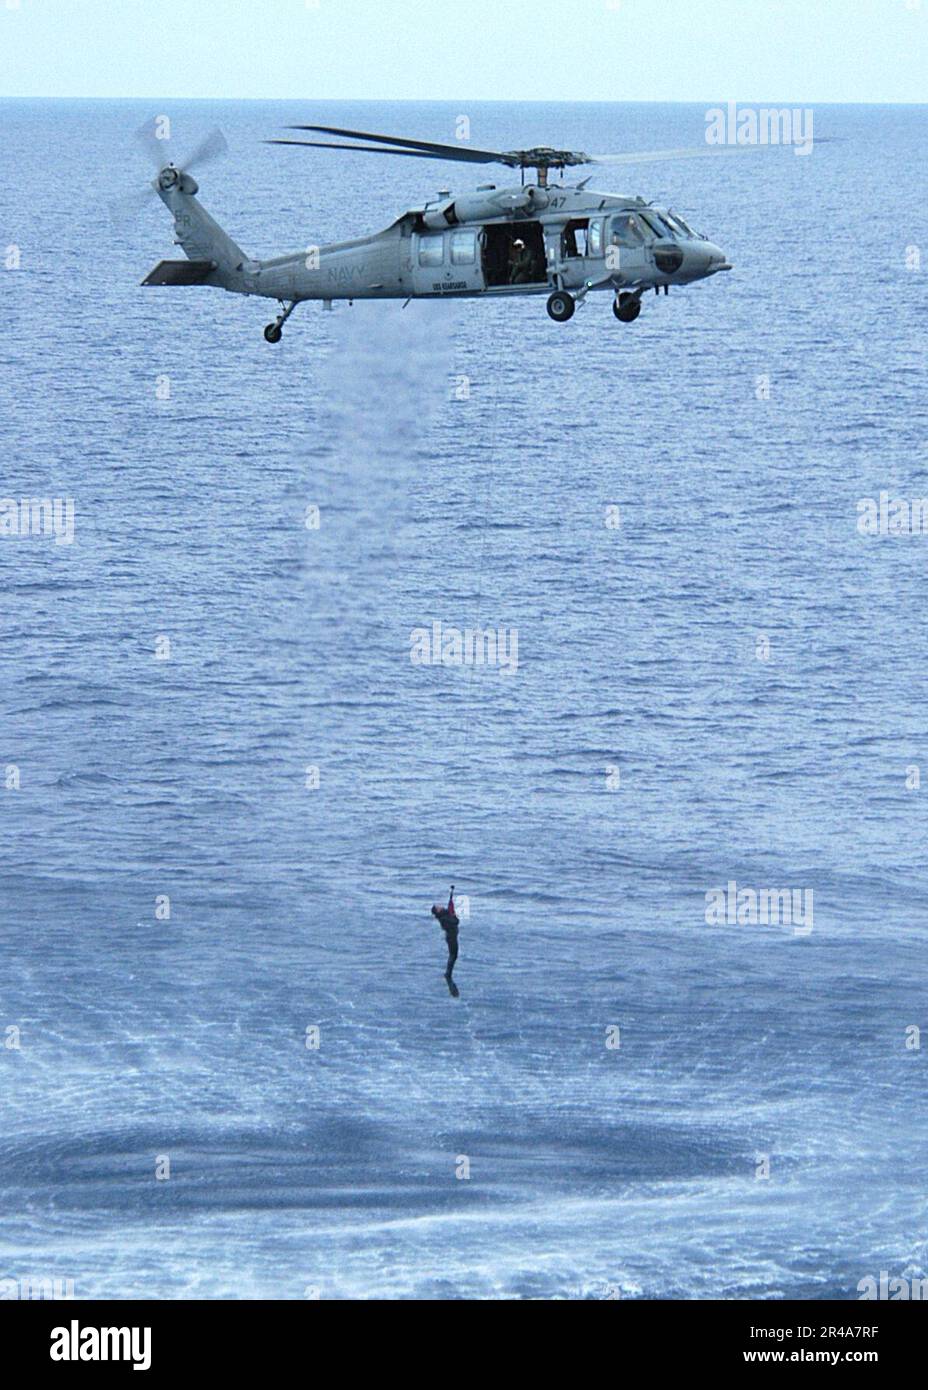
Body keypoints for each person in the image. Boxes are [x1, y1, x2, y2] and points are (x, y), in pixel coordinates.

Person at [430, 887, 460, 985]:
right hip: (451, 938)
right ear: (438, 911)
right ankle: (448, 973)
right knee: (453, 955)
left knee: (454, 955)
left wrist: (451, 895)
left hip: (452, 936)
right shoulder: (444, 918)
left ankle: (448, 973)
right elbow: (455, 921)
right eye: (438, 907)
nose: (441, 906)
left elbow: (449, 907)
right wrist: (454, 915)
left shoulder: (445, 914)